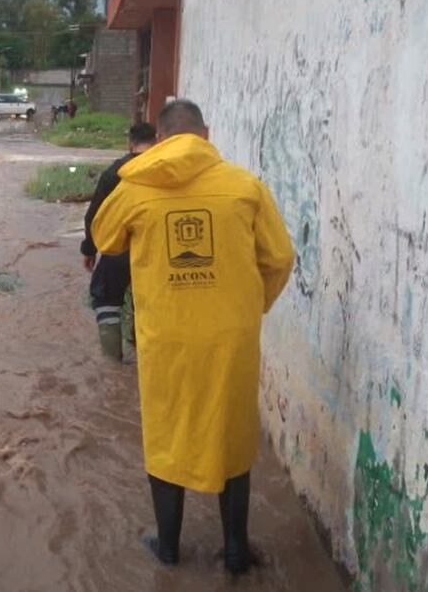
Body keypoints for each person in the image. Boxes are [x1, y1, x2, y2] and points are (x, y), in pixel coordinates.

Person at [91, 100, 294, 575]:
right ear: (205, 133)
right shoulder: (244, 186)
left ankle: (167, 547)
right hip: (231, 337)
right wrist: (252, 306)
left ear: (160, 138)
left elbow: (106, 239)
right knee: (233, 434)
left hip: (167, 338)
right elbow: (279, 259)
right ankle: (237, 551)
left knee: (167, 432)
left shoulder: (136, 185)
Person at [81, 122, 157, 361]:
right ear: (158, 141)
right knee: (147, 301)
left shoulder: (115, 172)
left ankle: (112, 361)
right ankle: (144, 356)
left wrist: (89, 248)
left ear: (130, 143)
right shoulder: (165, 169)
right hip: (153, 251)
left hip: (117, 250)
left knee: (105, 298)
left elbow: (95, 214)